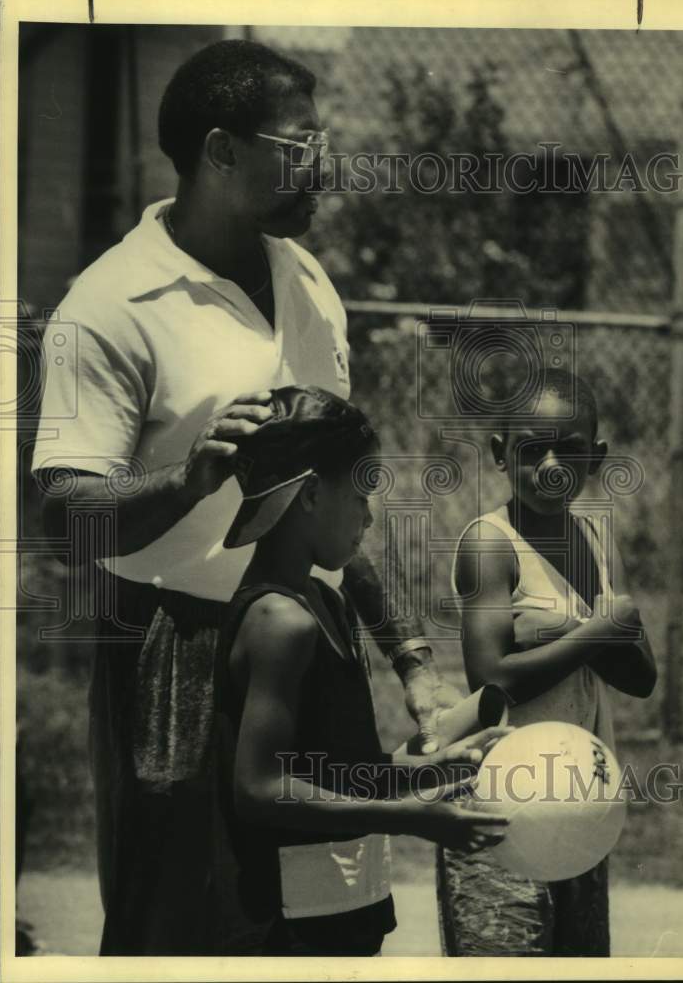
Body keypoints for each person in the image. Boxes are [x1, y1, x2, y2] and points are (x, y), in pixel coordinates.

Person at [31, 39, 459, 955]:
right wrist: (187, 480)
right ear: (222, 151)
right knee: (189, 934)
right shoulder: (109, 306)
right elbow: (65, 520)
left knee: (331, 929)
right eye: (300, 144)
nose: (323, 164)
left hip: (308, 642)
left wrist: (411, 660)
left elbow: (326, 490)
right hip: (177, 659)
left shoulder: (304, 278)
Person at [213, 384, 510, 955]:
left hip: (343, 911)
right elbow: (260, 788)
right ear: (307, 496)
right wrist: (411, 818)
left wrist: (432, 772)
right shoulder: (279, 621)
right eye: (359, 495)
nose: (369, 517)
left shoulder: (329, 605)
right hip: (281, 928)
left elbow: (337, 772)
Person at [436, 367, 657, 957]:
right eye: (533, 450)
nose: (551, 465)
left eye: (572, 451)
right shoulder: (491, 544)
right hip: (500, 807)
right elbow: (493, 679)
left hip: (578, 802)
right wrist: (599, 630)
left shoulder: (596, 542)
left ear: (597, 458)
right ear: (501, 454)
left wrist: (558, 631)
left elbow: (641, 677)